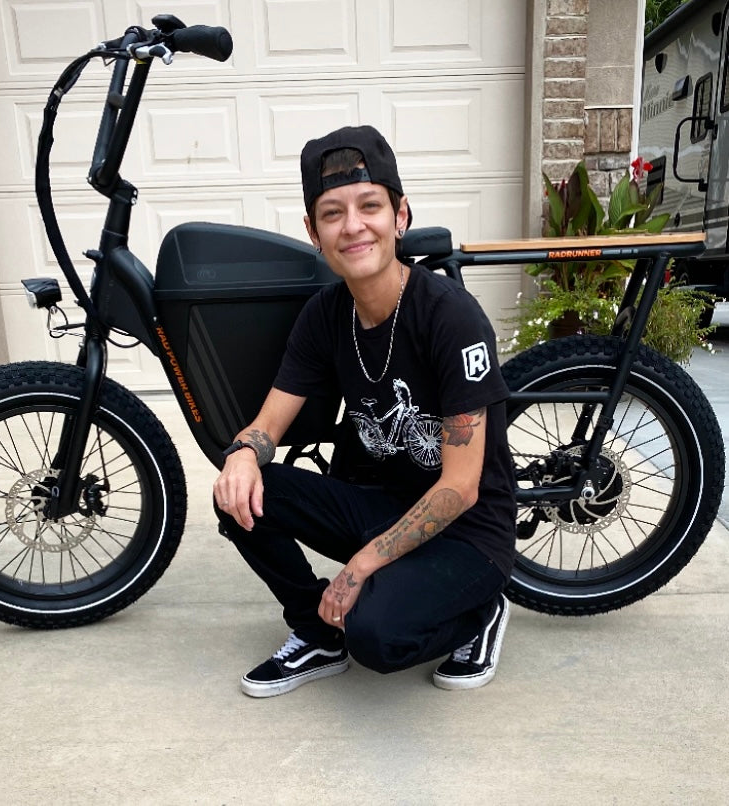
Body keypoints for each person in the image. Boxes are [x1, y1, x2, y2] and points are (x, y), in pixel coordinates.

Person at [213, 125, 516, 698]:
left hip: (468, 534)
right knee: (239, 495)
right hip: (383, 506)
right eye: (332, 213)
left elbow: (461, 487)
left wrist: (358, 569)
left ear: (399, 216)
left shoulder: (450, 317)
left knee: (377, 638)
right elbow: (268, 422)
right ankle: (315, 632)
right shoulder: (325, 316)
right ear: (313, 231)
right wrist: (243, 456)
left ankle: (481, 612)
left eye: (369, 206)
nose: (353, 226)